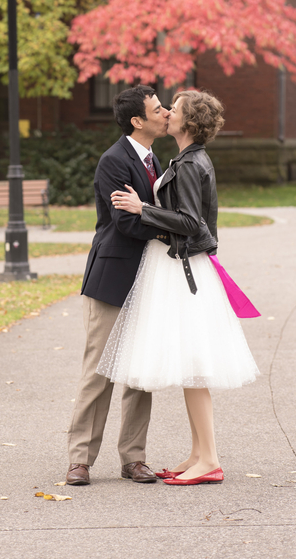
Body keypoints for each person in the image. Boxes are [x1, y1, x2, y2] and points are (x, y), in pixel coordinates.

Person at [98, 89, 260, 486]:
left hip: (185, 270)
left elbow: (191, 223)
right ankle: (199, 454)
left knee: (195, 368)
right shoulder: (188, 158)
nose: (168, 112)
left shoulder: (189, 163)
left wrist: (143, 208)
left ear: (187, 122)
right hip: (185, 267)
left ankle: (210, 460)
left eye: (175, 108)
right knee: (192, 368)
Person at [66, 85, 171, 486]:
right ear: (137, 121)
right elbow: (125, 222)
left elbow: (146, 213)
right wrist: (168, 227)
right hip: (112, 278)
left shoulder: (154, 159)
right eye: (157, 109)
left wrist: (154, 215)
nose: (166, 113)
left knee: (140, 372)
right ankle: (80, 460)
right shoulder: (113, 160)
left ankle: (134, 458)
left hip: (148, 278)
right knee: (99, 372)